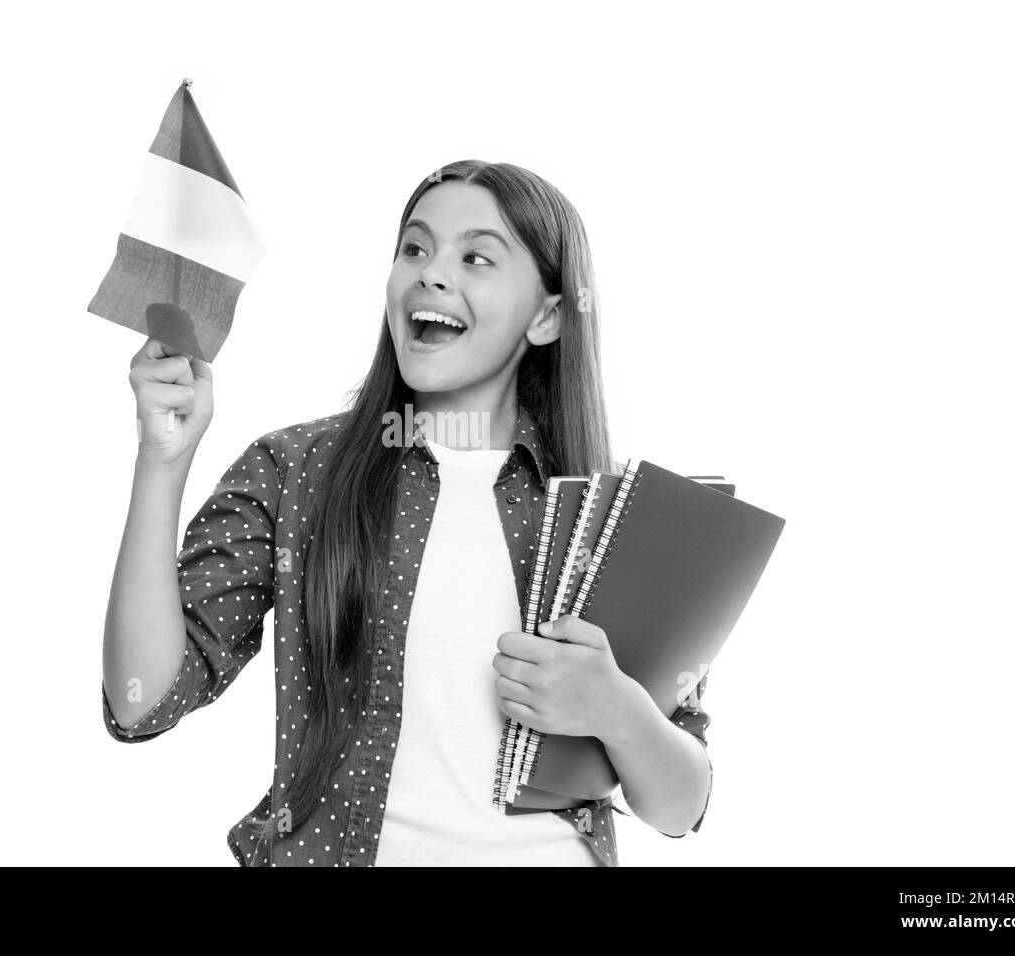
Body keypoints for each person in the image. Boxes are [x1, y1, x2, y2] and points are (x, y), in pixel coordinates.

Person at [101, 160, 713, 867]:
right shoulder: (295, 472)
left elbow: (681, 805)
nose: (432, 272)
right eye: (415, 249)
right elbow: (141, 699)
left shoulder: (608, 520)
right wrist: (161, 461)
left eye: (476, 257)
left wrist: (616, 709)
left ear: (547, 316)